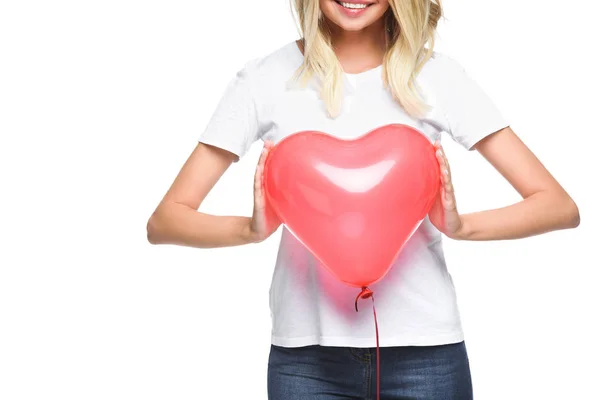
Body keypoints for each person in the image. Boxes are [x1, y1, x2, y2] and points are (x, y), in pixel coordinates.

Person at [146, 0, 580, 398]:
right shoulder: (266, 78)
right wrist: (250, 229)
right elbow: (165, 220)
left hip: (425, 355)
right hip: (306, 361)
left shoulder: (437, 76)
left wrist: (460, 226)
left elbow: (557, 205)